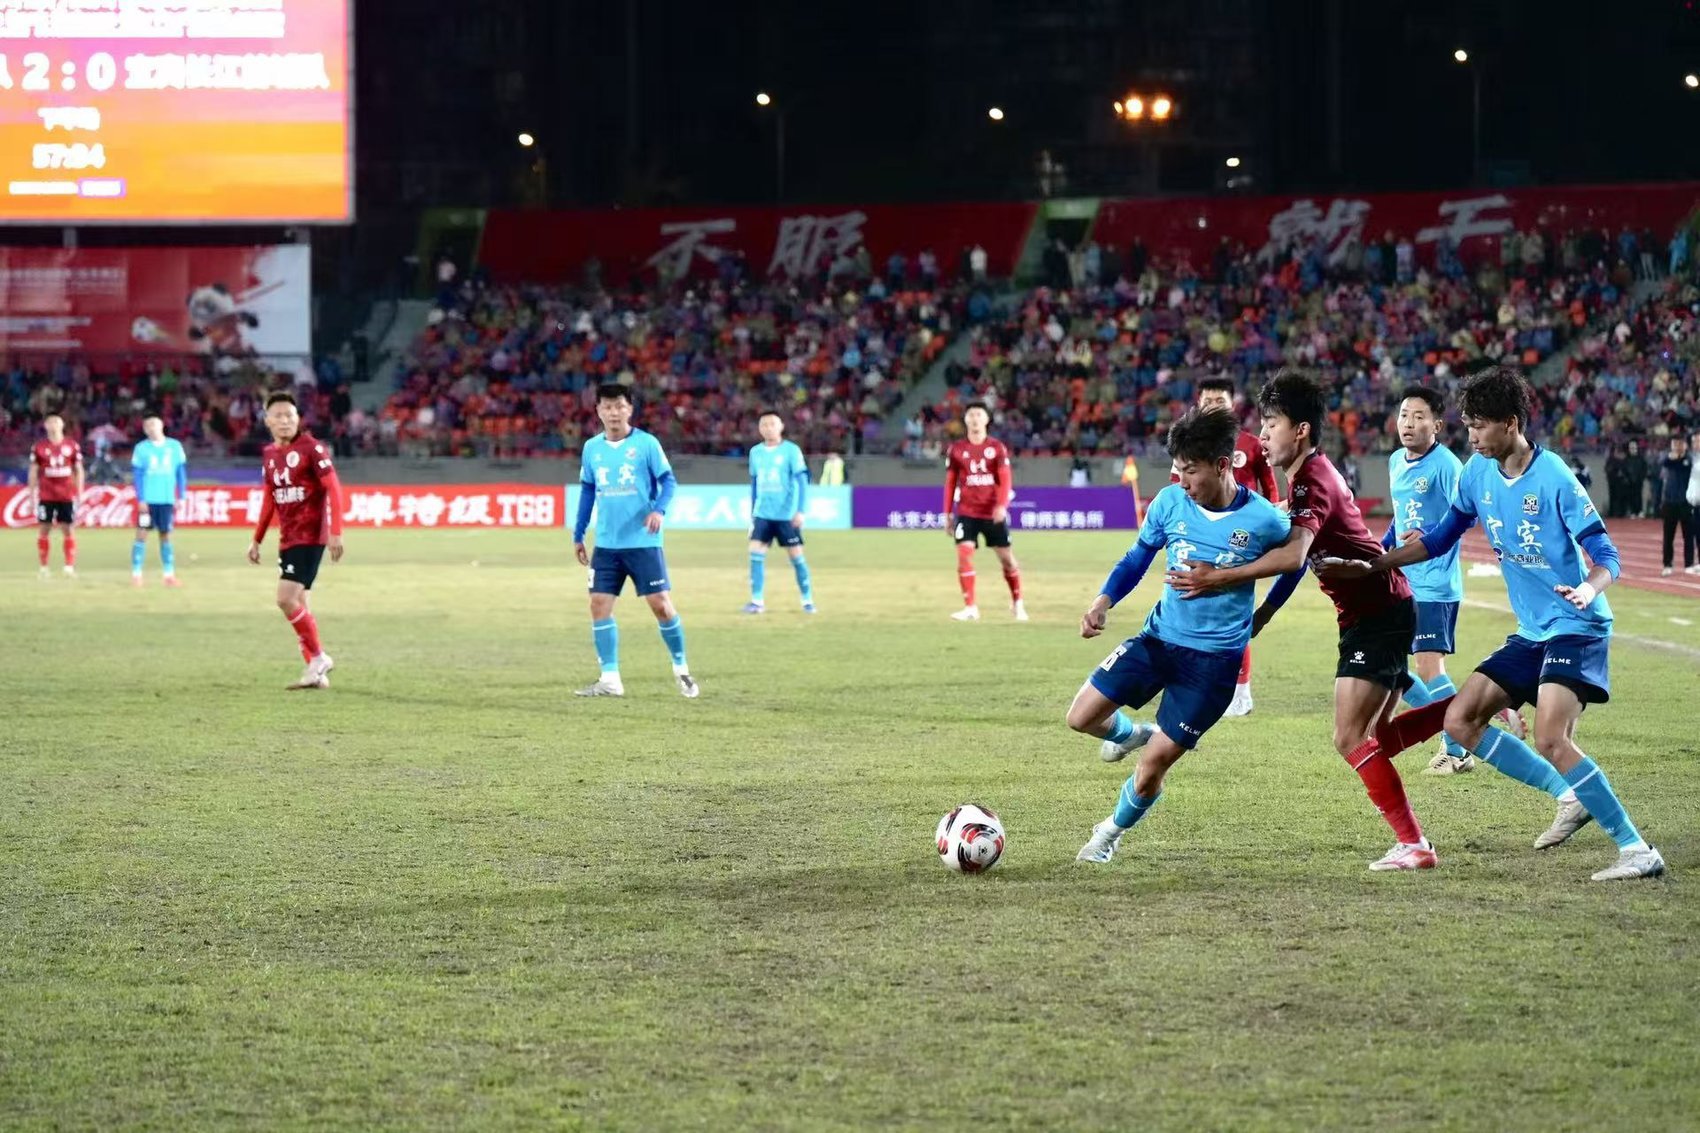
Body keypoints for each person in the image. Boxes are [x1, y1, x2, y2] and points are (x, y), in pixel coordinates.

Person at [1319, 366, 1664, 881]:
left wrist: (1588, 590)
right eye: (1468, 425)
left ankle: (1636, 850)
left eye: (1479, 426)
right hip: (1531, 632)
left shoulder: (1554, 476)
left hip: (1576, 625)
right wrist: (1375, 565)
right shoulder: (1476, 474)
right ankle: (1571, 796)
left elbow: (1607, 554)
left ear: (1511, 423)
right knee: (1460, 720)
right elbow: (1440, 537)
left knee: (1550, 738)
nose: (1472, 436)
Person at [1167, 369, 1452, 872]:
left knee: (1349, 738)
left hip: (1378, 613)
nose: (1262, 435)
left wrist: (1219, 577)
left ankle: (1416, 842)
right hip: (1373, 612)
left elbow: (1294, 555)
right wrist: (1266, 611)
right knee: (1378, 740)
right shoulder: (1305, 477)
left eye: (1271, 424)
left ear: (1300, 430)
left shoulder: (1312, 480)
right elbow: (1297, 555)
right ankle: (1465, 711)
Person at [1071, 408, 1299, 865]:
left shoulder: (1263, 520)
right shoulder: (1169, 502)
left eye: (1191, 470)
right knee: (1081, 717)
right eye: (1177, 469)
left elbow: (1295, 563)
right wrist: (1103, 601)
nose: (1182, 480)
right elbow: (1137, 558)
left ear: (1222, 464)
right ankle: (1132, 733)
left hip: (1212, 666)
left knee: (1152, 767)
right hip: (1158, 640)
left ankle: (1108, 834)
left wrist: (1266, 612)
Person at [1384, 387, 1522, 775]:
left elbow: (1467, 513)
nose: (1408, 423)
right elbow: (1400, 515)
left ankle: (1457, 749)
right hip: (1404, 579)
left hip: (1435, 582)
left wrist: (1429, 533)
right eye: (1404, 415)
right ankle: (1468, 715)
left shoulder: (1446, 465)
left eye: (1419, 416)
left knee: (1429, 667)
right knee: (1391, 666)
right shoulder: (1395, 461)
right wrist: (1381, 549)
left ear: (1437, 425)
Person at [572, 383, 697, 698]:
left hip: (643, 541)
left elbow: (669, 482)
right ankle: (610, 679)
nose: (613, 412)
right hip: (606, 544)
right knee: (598, 604)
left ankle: (681, 669)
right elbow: (588, 491)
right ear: (598, 411)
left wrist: (659, 510)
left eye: (619, 406)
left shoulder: (646, 444)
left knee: (661, 606)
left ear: (630, 409)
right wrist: (579, 533)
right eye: (607, 407)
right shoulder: (592, 448)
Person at [1169, 377, 1279, 717]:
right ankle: (1196, 683)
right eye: (1208, 400)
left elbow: (1270, 488)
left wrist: (1267, 524)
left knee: (1234, 611)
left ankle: (1241, 691)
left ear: (1233, 404)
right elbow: (1177, 488)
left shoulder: (1250, 444)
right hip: (1200, 535)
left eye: (1220, 400)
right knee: (1192, 605)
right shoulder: (1188, 445)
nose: (1213, 405)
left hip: (1241, 539)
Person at [247, 391, 345, 690]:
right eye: (278, 416)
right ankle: (315, 673)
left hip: (310, 535)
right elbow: (270, 499)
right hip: (288, 537)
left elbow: (334, 488)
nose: (285, 421)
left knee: (285, 598)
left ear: (298, 419)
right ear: (267, 421)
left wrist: (336, 532)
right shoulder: (269, 454)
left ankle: (318, 658)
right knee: (300, 603)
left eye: (289, 415)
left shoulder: (312, 448)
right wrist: (257, 539)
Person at [944, 402, 1026, 622]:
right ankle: (970, 608)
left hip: (992, 513)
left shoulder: (997, 448)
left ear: (987, 420)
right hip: (967, 512)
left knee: (1007, 560)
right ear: (966, 420)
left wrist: (1001, 506)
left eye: (979, 415)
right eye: (971, 415)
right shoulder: (956, 449)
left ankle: (1017, 602)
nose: (975, 419)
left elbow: (1006, 479)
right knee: (964, 555)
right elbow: (950, 483)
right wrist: (947, 513)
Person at [743, 410, 816, 614]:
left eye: (772, 424)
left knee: (796, 557)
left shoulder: (791, 451)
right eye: (764, 425)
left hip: (786, 515)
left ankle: (807, 600)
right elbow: (755, 483)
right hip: (763, 514)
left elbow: (802, 481)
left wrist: (800, 511)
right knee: (755, 553)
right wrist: (753, 514)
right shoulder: (755, 452)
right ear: (759, 429)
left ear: (781, 426)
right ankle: (757, 601)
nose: (768, 428)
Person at [130, 414, 187, 588]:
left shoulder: (174, 446)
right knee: (141, 534)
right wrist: (141, 499)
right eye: (148, 426)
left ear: (161, 426)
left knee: (166, 535)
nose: (152, 428)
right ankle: (136, 574)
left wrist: (182, 495)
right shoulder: (141, 448)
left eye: (154, 425)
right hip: (148, 501)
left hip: (167, 499)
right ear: (145, 430)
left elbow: (180, 473)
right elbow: (137, 476)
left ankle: (169, 575)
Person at [29, 413, 82, 579]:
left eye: (56, 422)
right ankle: (44, 567)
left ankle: (69, 567)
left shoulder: (72, 445)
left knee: (68, 529)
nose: (53, 425)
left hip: (67, 495)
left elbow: (79, 470)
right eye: (50, 422)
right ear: (45, 426)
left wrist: (79, 493)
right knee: (44, 528)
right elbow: (33, 471)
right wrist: (31, 495)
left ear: (62, 425)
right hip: (46, 495)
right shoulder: (39, 447)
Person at [1656, 434, 1694, 577]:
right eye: (1675, 444)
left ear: (1685, 445)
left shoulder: (1689, 460)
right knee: (1668, 537)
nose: (1677, 446)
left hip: (1686, 502)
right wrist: (1673, 457)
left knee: (1688, 536)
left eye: (1680, 443)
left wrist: (1678, 458)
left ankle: (1689, 564)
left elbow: (1682, 466)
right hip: (1669, 502)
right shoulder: (1666, 458)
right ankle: (1667, 564)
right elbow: (1664, 463)